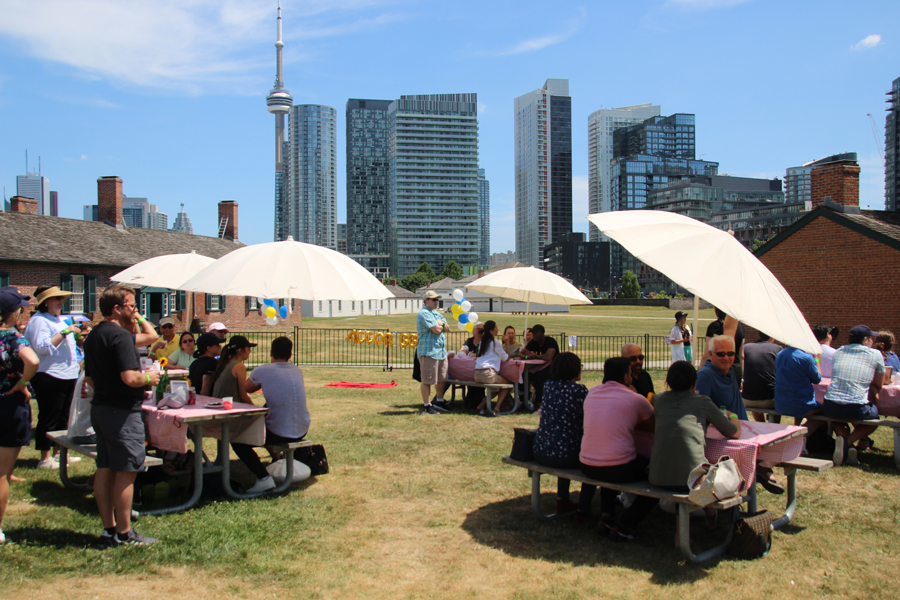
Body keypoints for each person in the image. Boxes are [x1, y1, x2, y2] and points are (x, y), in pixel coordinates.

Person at [84, 285, 161, 547]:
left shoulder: (94, 335)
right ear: (117, 309)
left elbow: (89, 380)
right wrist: (149, 377)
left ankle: (108, 530)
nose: (135, 309)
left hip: (101, 409)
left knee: (104, 470)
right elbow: (131, 378)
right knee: (126, 471)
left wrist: (109, 390)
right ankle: (125, 533)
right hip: (123, 413)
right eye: (131, 305)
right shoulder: (120, 337)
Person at [649, 361, 740, 532]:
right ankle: (712, 517)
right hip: (693, 480)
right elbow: (733, 432)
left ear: (668, 381)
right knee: (708, 471)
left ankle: (695, 522)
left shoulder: (659, 400)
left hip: (658, 476)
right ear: (694, 383)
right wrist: (733, 415)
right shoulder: (702, 402)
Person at [580, 357, 656, 541]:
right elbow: (653, 426)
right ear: (626, 377)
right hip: (617, 468)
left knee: (612, 457)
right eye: (630, 374)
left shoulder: (592, 394)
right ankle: (625, 524)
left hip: (587, 465)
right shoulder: (635, 398)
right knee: (658, 479)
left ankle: (606, 515)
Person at [232, 336, 311, 494]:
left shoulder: (263, 370)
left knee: (237, 440)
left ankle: (263, 478)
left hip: (279, 432)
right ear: (290, 354)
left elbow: (247, 389)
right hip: (302, 428)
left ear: (271, 353)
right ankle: (276, 458)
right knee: (267, 415)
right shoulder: (297, 370)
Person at [24, 285, 83, 469]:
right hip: (49, 374)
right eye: (57, 299)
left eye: (61, 299)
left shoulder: (57, 320)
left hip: (67, 374)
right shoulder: (39, 320)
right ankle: (45, 457)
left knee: (63, 417)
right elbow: (42, 347)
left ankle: (59, 453)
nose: (60, 302)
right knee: (49, 416)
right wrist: (65, 332)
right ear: (46, 302)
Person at [533, 352, 594, 522]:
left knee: (563, 439)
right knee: (595, 460)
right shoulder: (579, 390)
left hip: (542, 449)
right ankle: (583, 509)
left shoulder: (548, 386)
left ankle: (562, 499)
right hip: (566, 454)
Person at [0, 287, 39, 544]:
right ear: (14, 312)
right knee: (1, 472)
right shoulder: (14, 338)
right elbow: (33, 361)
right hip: (9, 404)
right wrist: (22, 383)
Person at [824, 325, 884, 466]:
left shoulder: (839, 351)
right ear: (865, 340)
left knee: (836, 418)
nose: (872, 342)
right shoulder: (875, 354)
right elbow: (880, 384)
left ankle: (846, 445)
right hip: (856, 406)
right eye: (871, 338)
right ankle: (847, 443)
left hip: (830, 404)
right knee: (873, 422)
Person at [774, 344, 824, 446]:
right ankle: (798, 436)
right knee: (824, 413)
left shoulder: (780, 354)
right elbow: (817, 379)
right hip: (801, 404)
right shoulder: (806, 358)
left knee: (798, 401)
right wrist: (817, 360)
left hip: (781, 403)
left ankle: (796, 427)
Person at [416, 290, 450, 414]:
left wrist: (440, 323)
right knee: (427, 380)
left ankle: (439, 401)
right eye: (434, 300)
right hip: (429, 351)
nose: (437, 302)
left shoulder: (436, 314)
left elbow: (448, 328)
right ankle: (427, 406)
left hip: (440, 352)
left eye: (437, 300)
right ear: (426, 301)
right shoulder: (424, 313)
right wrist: (440, 324)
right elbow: (436, 330)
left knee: (441, 379)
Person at [742, 332, 783, 421]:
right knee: (779, 397)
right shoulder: (778, 349)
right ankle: (773, 426)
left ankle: (760, 423)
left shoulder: (746, 347)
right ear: (772, 337)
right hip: (770, 399)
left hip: (747, 398)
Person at [519, 324, 559, 411]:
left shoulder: (550, 341)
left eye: (535, 333)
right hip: (538, 367)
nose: (533, 335)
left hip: (553, 369)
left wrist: (535, 356)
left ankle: (539, 403)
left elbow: (548, 357)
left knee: (539, 377)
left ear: (542, 333)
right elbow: (521, 353)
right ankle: (523, 401)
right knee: (521, 375)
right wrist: (527, 357)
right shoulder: (533, 342)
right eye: (532, 333)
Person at [473, 320, 510, 415]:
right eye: (496, 328)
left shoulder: (481, 342)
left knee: (496, 388)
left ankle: (481, 405)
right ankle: (497, 407)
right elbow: (506, 358)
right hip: (488, 373)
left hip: (477, 374)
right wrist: (506, 344)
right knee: (506, 385)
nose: (498, 330)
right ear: (491, 331)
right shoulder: (495, 343)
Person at [210, 335, 258, 404]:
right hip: (231, 408)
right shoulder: (239, 366)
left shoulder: (225, 363)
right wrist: (255, 409)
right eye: (248, 348)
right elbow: (243, 396)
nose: (250, 351)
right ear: (240, 350)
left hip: (219, 407)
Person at [705, 308, 745, 381]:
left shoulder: (715, 326)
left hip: (718, 369)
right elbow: (741, 355)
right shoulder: (741, 327)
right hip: (736, 369)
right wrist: (742, 377)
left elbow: (707, 355)